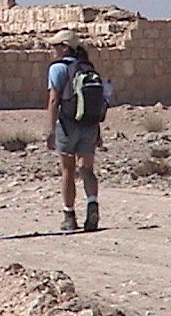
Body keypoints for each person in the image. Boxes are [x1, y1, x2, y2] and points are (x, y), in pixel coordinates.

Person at [45, 29, 100, 232]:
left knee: (68, 170)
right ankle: (92, 205)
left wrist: (50, 131)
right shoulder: (87, 67)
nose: (51, 49)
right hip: (89, 124)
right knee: (87, 169)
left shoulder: (57, 68)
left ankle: (69, 215)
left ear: (64, 47)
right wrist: (98, 131)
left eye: (54, 45)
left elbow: (53, 99)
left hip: (68, 125)